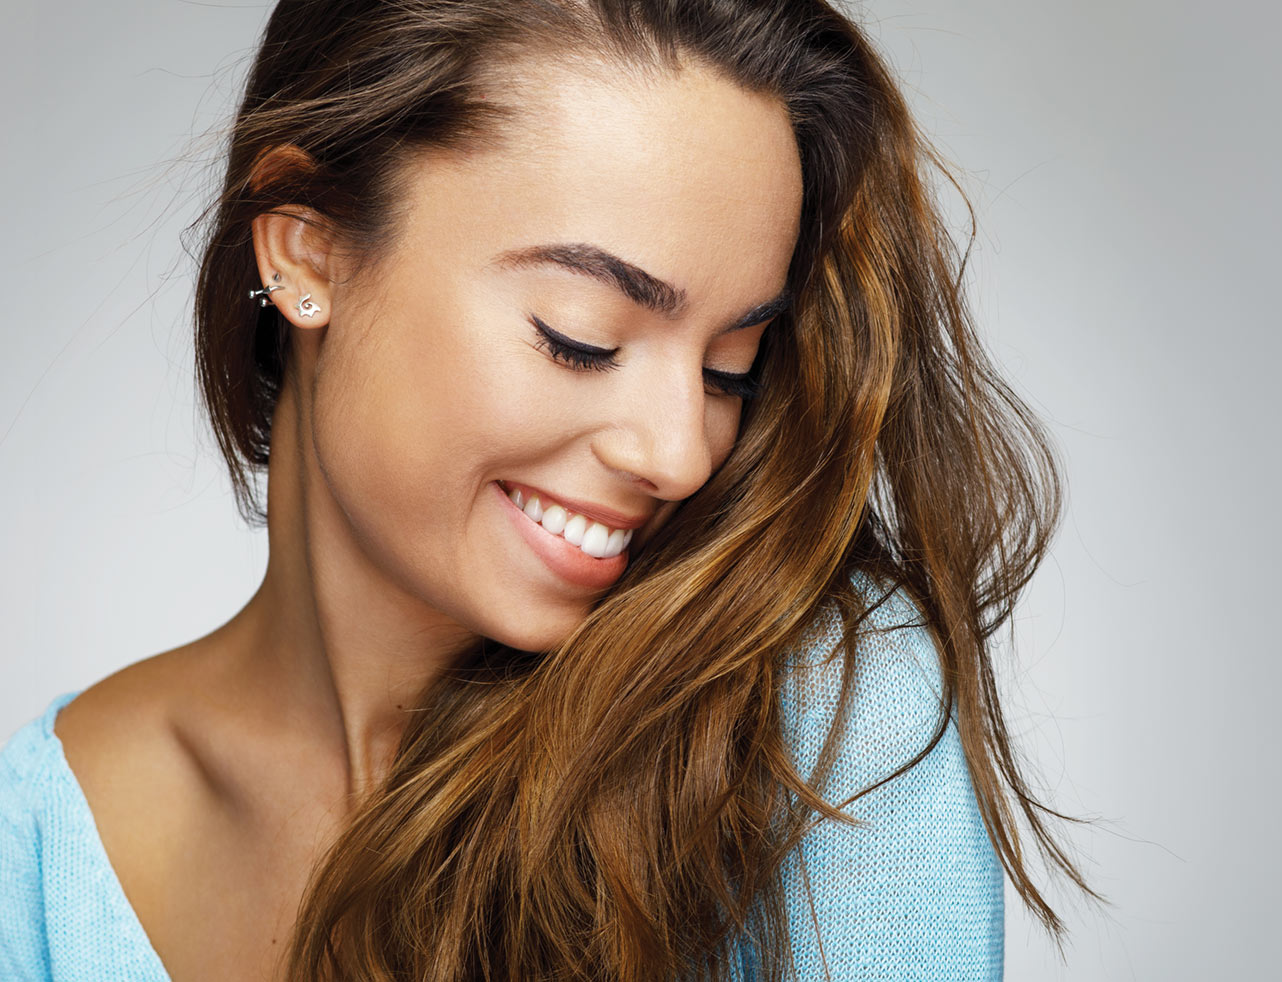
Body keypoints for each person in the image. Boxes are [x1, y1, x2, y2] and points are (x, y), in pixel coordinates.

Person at [0, 1, 1099, 979]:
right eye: (582, 338)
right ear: (308, 251)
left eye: (731, 369)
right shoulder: (50, 839)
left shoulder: (823, 715)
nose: (680, 454)